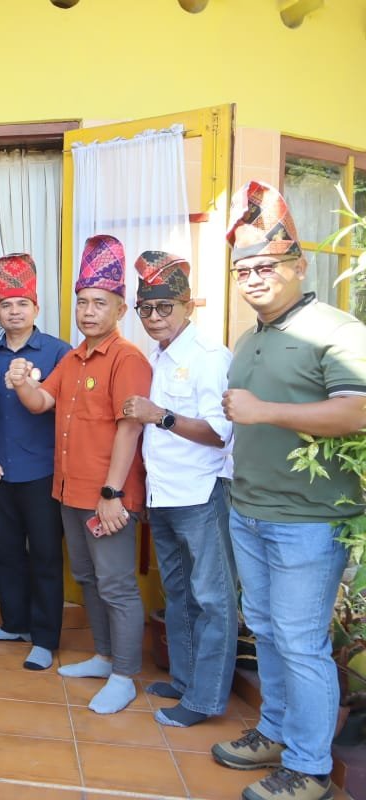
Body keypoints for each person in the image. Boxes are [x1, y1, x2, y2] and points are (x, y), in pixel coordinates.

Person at [210, 181, 366, 800]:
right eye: (243, 270)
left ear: (299, 267)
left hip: (308, 520)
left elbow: (356, 412)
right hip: (249, 509)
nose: (253, 278)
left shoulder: (337, 330)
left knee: (301, 642)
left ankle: (309, 766)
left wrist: (263, 411)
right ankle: (275, 733)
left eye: (266, 266)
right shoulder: (249, 339)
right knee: (269, 632)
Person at [6, 234, 151, 714]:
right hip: (69, 492)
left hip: (106, 495)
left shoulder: (127, 359)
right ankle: (104, 657)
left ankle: (125, 675)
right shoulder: (72, 358)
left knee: (117, 585)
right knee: (88, 578)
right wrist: (22, 383)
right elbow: (41, 402)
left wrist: (113, 493)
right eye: (83, 302)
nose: (88, 311)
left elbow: (129, 429)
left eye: (99, 303)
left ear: (120, 308)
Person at [120, 251, 237, 729]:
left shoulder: (210, 357)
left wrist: (160, 416)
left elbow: (219, 433)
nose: (153, 317)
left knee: (212, 599)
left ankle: (205, 700)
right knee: (179, 594)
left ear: (188, 305)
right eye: (145, 308)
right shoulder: (158, 355)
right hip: (164, 495)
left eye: (164, 307)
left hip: (201, 495)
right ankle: (185, 681)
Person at [0, 254, 71, 671]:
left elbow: (67, 411)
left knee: (45, 556)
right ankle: (14, 623)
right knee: (5, 552)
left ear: (36, 308)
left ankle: (45, 638)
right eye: (6, 305)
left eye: (22, 304)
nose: (14, 312)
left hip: (44, 472)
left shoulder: (59, 353)